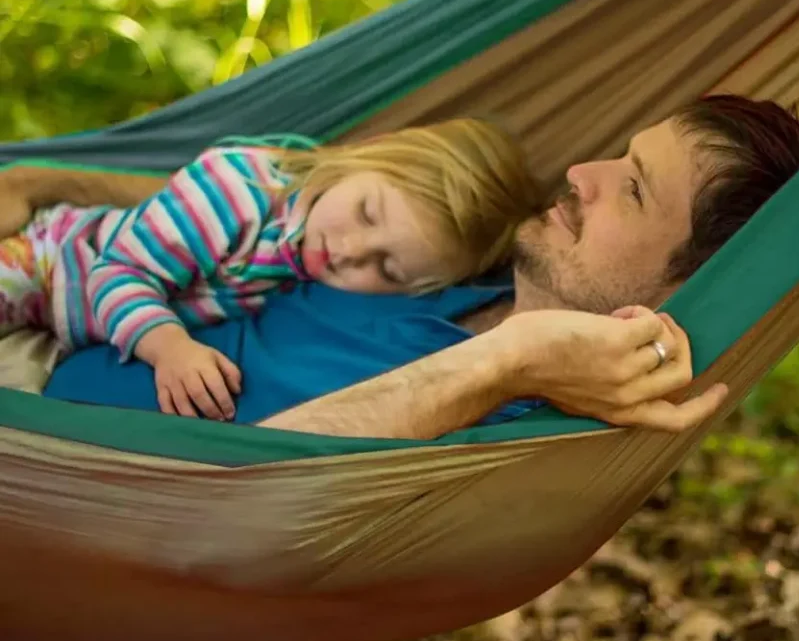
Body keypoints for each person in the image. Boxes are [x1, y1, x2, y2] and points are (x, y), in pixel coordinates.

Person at [1, 94, 799, 439]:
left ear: (691, 281)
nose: (581, 174)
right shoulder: (473, 256)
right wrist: (44, 184)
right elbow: (264, 200)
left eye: (632, 190)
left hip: (49, 468)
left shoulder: (531, 421)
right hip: (45, 328)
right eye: (617, 156)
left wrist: (510, 360)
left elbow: (234, 500)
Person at [0, 119, 542, 420]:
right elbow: (115, 273)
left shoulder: (311, 257)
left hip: (70, 322)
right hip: (48, 263)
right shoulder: (235, 192)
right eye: (366, 212)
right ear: (368, 154)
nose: (349, 250)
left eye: (387, 268)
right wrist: (170, 349)